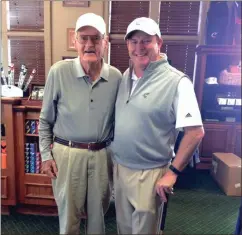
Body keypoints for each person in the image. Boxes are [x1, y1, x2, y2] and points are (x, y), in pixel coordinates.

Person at [111, 17, 205, 234]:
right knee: (123, 229)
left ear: (159, 43)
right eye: (133, 41)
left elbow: (196, 132)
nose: (139, 47)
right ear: (127, 45)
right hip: (121, 169)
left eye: (146, 41)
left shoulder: (177, 82)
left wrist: (173, 172)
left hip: (151, 173)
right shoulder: (126, 76)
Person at [39, 13, 122, 235]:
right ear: (74, 41)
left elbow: (119, 123)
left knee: (98, 218)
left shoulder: (116, 77)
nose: (89, 44)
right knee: (69, 219)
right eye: (83, 38)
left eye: (95, 38)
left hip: (102, 155)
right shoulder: (59, 71)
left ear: (105, 43)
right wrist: (46, 156)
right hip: (67, 155)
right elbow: (45, 120)